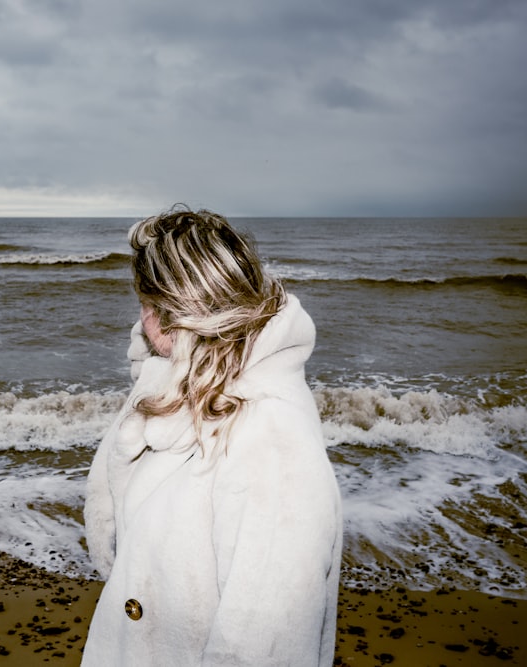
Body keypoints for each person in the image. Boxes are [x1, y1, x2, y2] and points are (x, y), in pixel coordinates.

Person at [83, 206, 342, 666]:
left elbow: (263, 646)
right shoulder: (177, 389)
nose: (141, 321)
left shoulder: (271, 438)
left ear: (183, 313)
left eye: (148, 305)